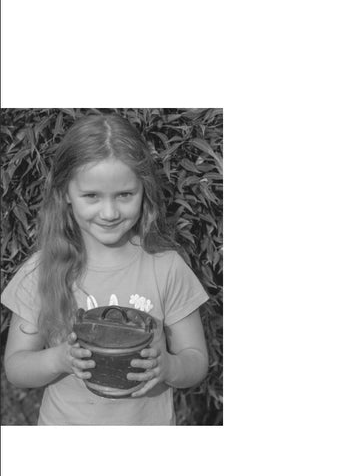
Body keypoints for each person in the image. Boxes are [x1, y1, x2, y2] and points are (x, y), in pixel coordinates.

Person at [2, 113, 210, 425]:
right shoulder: (41, 270)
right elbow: (16, 368)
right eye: (91, 196)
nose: (110, 212)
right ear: (65, 195)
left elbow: (195, 360)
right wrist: (59, 359)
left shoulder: (166, 266)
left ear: (144, 190)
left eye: (125, 195)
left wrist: (168, 367)